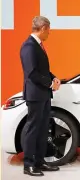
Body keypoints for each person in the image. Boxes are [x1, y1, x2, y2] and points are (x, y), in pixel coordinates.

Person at [20, 16, 60, 176]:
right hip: (35, 95)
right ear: (43, 28)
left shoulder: (38, 46)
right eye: (48, 30)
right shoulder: (29, 46)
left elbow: (42, 70)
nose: (49, 33)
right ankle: (28, 164)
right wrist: (50, 84)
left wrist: (53, 78)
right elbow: (32, 73)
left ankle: (40, 161)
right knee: (33, 129)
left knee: (43, 129)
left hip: (43, 94)